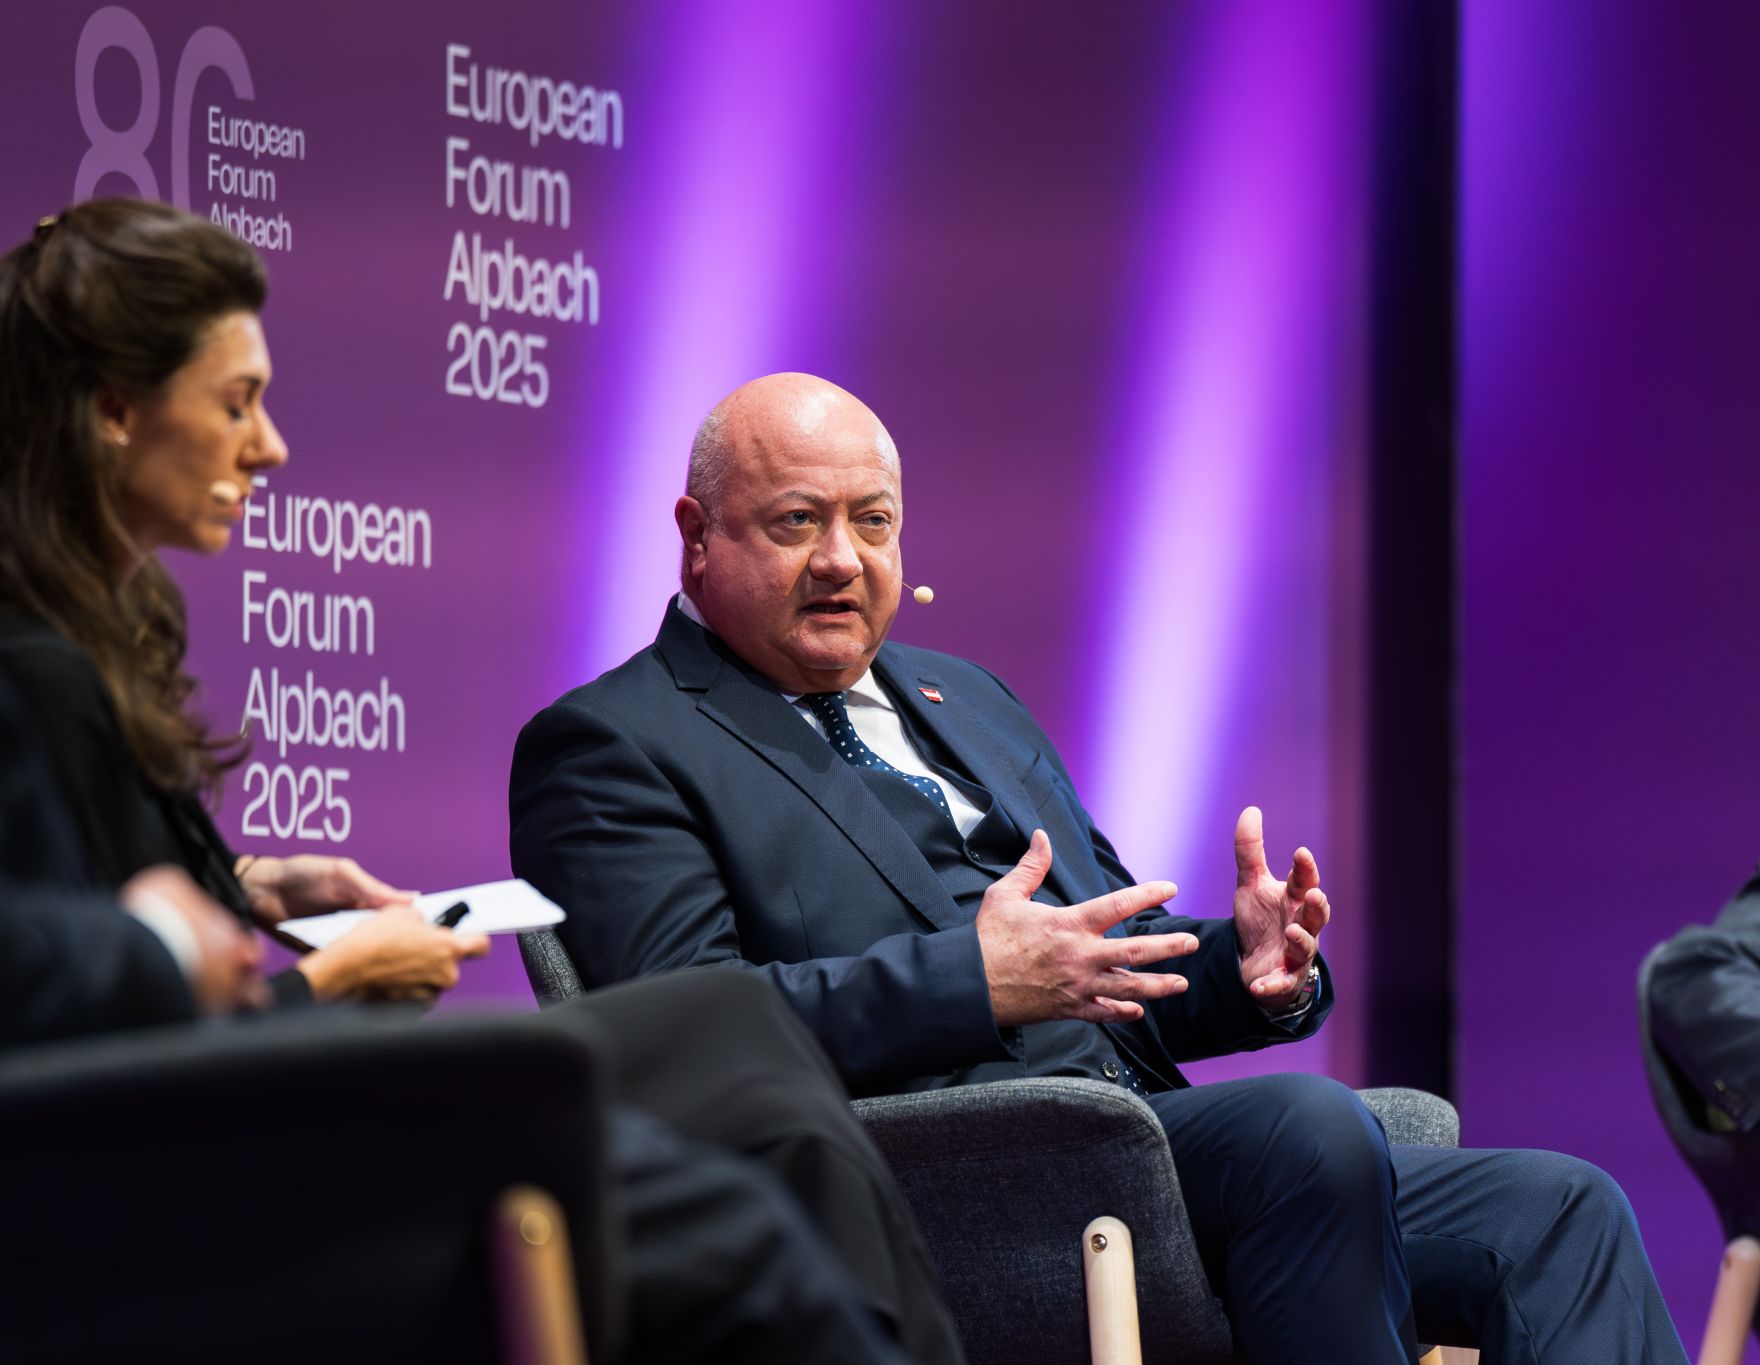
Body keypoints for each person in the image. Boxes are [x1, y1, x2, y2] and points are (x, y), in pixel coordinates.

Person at [510, 371, 1688, 1365]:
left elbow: (1098, 964)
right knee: (1302, 1130)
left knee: (1558, 1208)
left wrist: (1248, 970)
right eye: (793, 523)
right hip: (947, 1181)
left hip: (1139, 1151)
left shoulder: (965, 697)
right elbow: (683, 1035)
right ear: (696, 535)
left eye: (871, 523)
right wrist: (971, 983)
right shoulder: (615, 744)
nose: (840, 561)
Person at [0, 203, 962, 1365]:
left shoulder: (96, 633)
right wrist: (338, 980)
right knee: (726, 1213)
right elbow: (83, 1052)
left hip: (240, 1091)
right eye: (237, 402)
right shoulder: (33, 666)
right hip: (208, 1152)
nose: (269, 448)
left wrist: (245, 884)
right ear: (116, 412)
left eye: (872, 523)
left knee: (731, 1020)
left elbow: (77, 887)